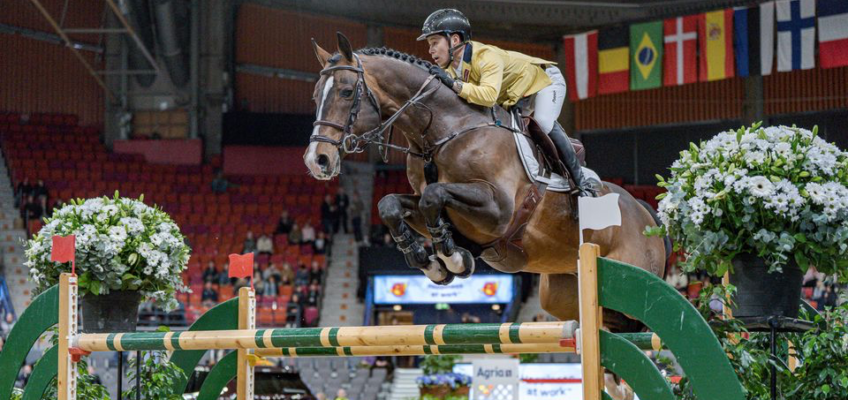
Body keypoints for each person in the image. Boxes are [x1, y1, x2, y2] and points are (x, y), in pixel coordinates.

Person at [418, 9, 595, 196]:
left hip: (544, 82)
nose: (430, 50)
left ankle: (581, 182)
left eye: (434, 43)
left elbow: (488, 96)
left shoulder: (485, 56)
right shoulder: (452, 70)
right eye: (430, 45)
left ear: (454, 40)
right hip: (515, 98)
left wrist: (453, 85)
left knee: (543, 121)